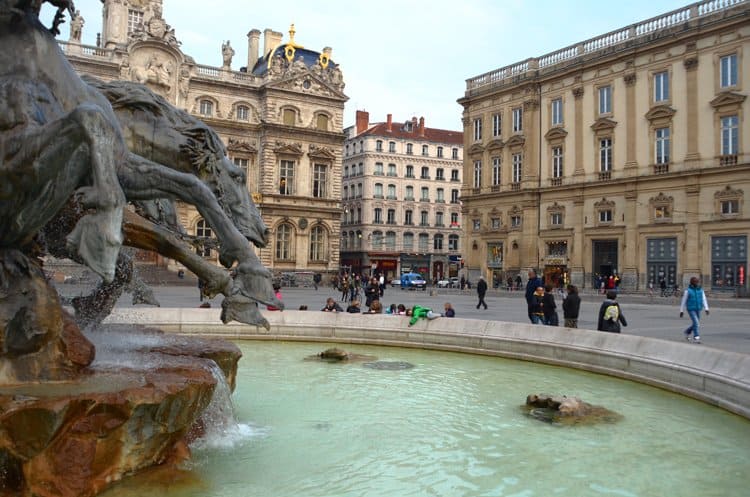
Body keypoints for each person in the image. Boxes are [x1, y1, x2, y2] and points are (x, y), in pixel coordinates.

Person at [679, 276, 710, 343]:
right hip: (691, 309)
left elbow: (704, 299)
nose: (697, 283)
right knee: (696, 323)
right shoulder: (687, 291)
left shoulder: (701, 290)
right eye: (695, 282)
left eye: (697, 282)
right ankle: (696, 337)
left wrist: (706, 308)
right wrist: (681, 311)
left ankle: (687, 332)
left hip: (698, 308)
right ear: (692, 283)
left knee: (696, 323)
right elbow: (683, 301)